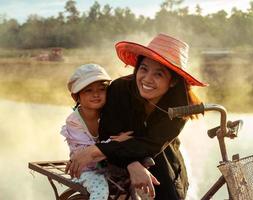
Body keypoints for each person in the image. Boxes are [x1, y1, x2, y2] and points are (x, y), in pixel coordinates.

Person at [66, 34, 208, 199]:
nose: (147, 79)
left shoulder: (181, 107)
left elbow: (153, 144)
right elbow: (108, 132)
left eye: (159, 74)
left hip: (158, 153)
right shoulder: (119, 89)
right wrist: (132, 164)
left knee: (168, 190)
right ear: (137, 68)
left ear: (173, 81)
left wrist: (93, 151)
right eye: (144, 69)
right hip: (115, 153)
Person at [61, 64, 133, 200]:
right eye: (88, 90)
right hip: (86, 169)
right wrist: (115, 142)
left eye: (102, 89)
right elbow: (87, 153)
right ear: (76, 96)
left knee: (130, 186)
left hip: (109, 166)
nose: (96, 94)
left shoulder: (109, 114)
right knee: (100, 191)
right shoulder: (74, 121)